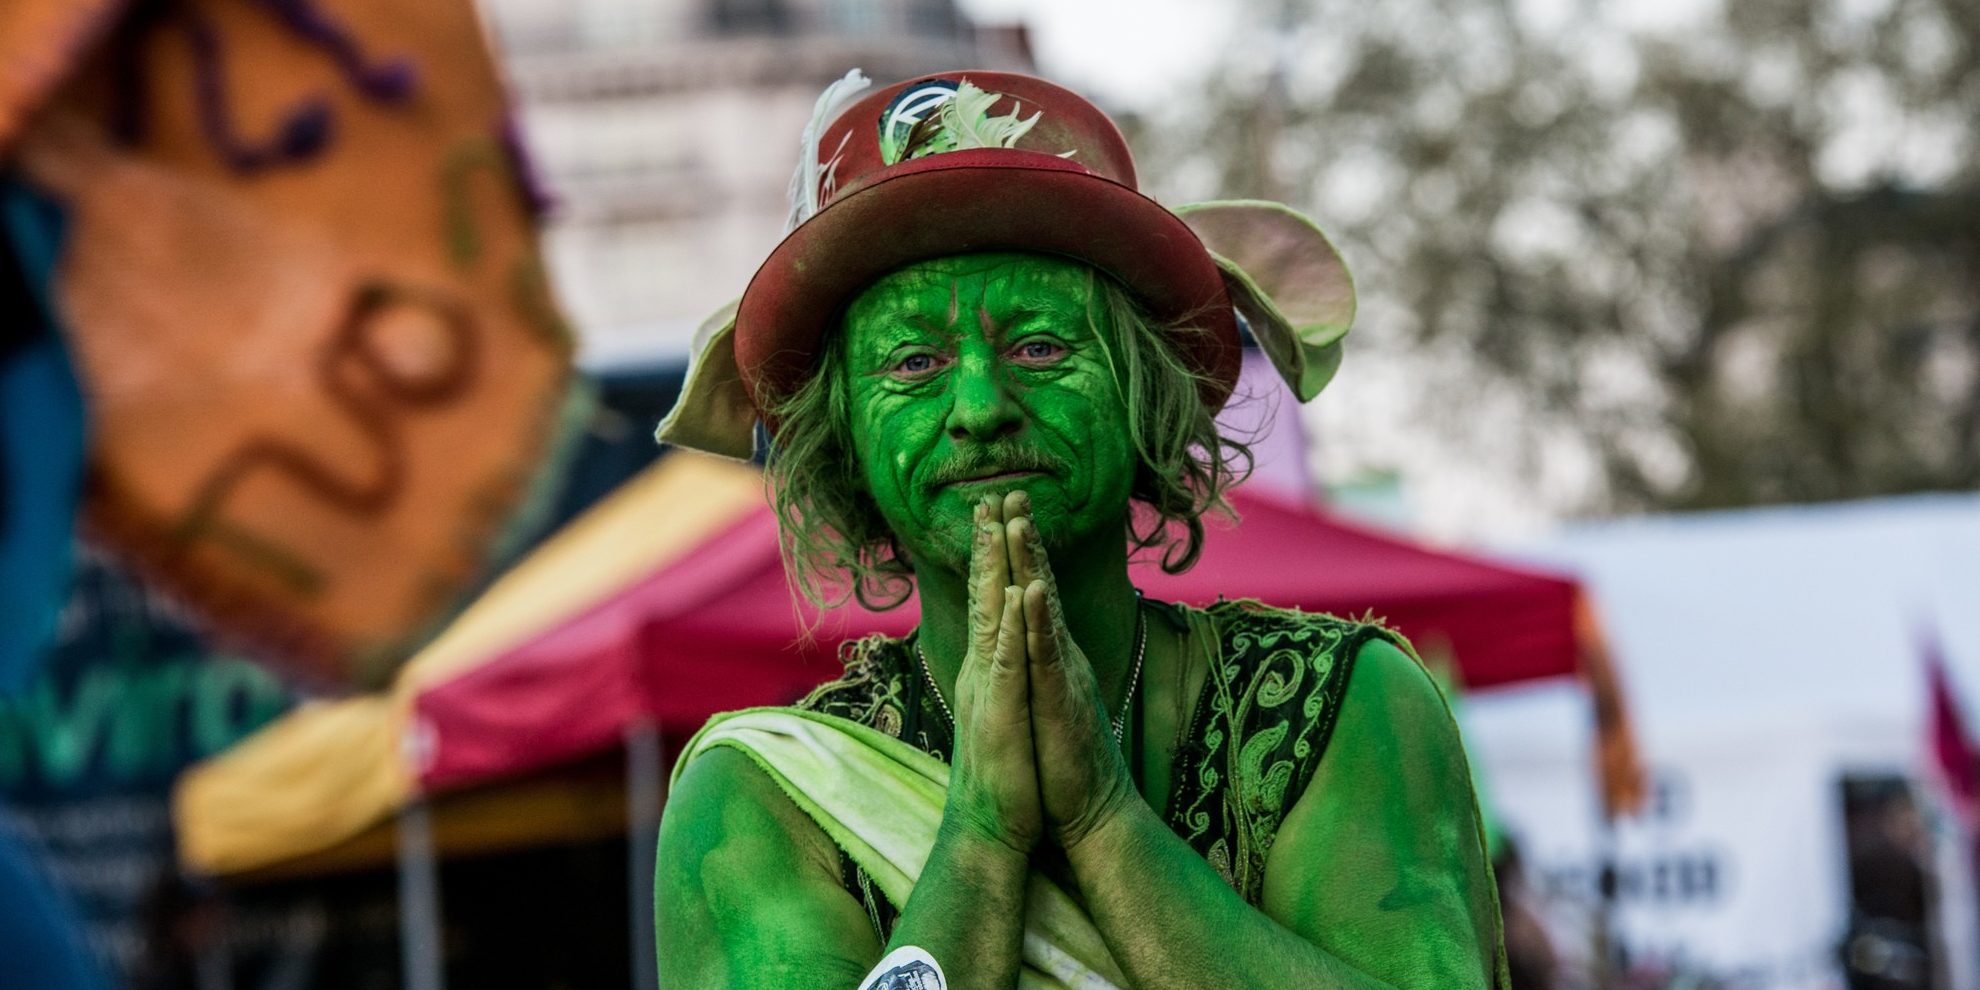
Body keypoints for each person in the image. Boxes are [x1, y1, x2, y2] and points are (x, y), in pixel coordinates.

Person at [652, 69, 1506, 989]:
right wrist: (982, 828)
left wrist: (1105, 821)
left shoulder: (1338, 708)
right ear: (843, 439)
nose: (980, 407)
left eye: (1040, 346)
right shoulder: (764, 798)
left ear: (1147, 388)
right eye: (913, 362)